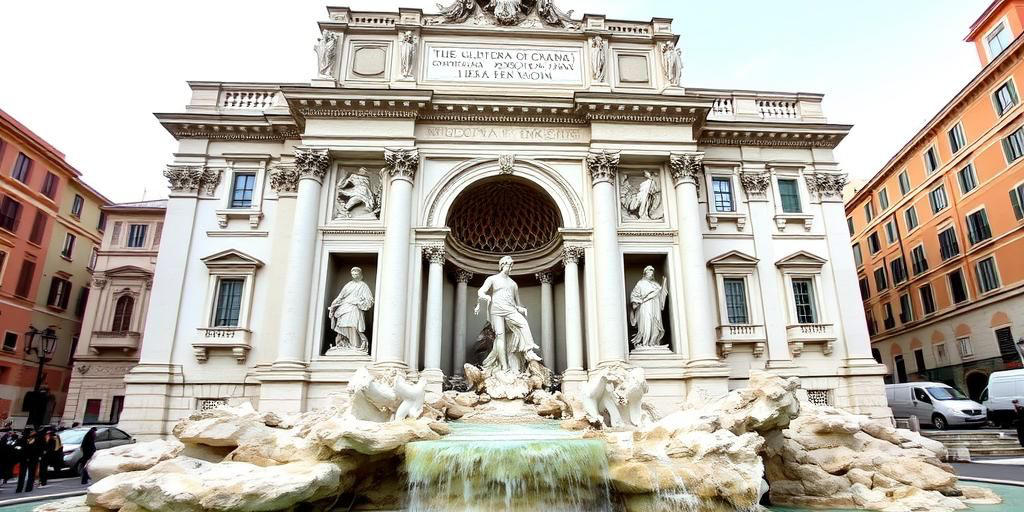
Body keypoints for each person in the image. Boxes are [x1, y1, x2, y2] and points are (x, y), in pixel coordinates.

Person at [473, 256, 542, 373]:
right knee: (500, 337)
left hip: (510, 309)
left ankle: (529, 349)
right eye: (508, 265)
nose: (510, 268)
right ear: (502, 265)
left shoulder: (513, 284)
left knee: (523, 323)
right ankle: (504, 367)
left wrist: (522, 309)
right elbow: (481, 291)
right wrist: (486, 296)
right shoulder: (492, 279)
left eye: (511, 266)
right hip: (496, 309)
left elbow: (517, 303)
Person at [327, 267, 375, 352]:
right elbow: (340, 297)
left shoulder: (363, 286)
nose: (355, 275)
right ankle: (344, 344)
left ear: (360, 274)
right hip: (344, 307)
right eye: (353, 274)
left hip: (355, 307)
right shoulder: (348, 285)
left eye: (356, 273)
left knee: (353, 325)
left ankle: (356, 345)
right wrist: (333, 306)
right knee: (342, 325)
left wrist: (361, 302)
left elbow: (370, 299)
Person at [629, 266, 669, 348]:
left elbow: (661, 295)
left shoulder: (656, 284)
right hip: (645, 306)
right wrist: (635, 302)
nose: (651, 273)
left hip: (655, 306)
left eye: (652, 272)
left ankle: (653, 342)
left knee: (655, 324)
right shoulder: (640, 283)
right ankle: (645, 343)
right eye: (649, 271)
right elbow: (634, 295)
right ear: (645, 273)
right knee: (647, 324)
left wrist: (664, 285)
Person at [15, 428, 40, 493]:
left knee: (22, 474)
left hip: (24, 458)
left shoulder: (22, 439)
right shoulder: (36, 439)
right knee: (30, 474)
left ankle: (19, 489)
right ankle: (28, 488)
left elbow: (17, 447)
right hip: (32, 459)